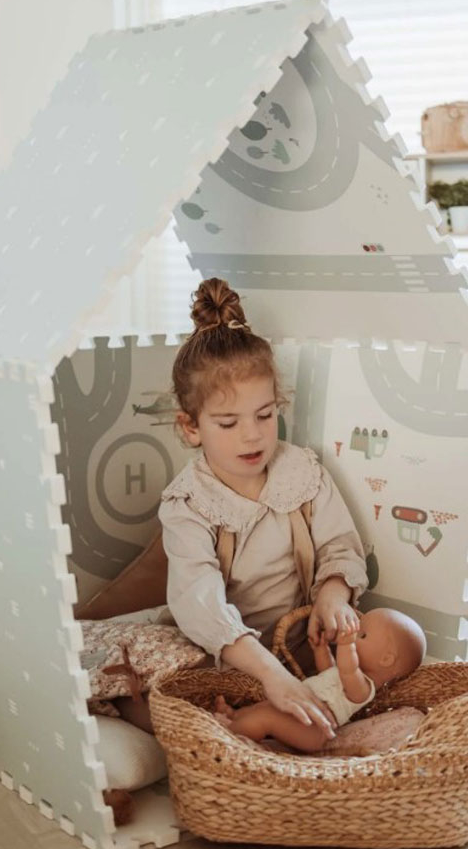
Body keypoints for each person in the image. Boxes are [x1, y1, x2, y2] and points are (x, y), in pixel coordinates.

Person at [152, 277, 370, 740]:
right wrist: (271, 676)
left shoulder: (301, 473)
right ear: (191, 427)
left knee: (397, 637)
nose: (252, 435)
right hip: (227, 652)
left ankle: (272, 717)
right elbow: (199, 602)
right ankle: (237, 720)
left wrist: (333, 594)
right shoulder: (189, 504)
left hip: (299, 642)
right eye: (228, 423)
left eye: (265, 415)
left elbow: (340, 544)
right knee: (161, 685)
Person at [214, 607, 426, 752]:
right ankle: (233, 716)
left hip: (313, 730)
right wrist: (321, 649)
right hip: (302, 713)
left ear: (386, 659)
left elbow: (348, 670)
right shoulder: (347, 672)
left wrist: (346, 645)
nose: (354, 636)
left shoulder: (364, 689)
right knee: (265, 706)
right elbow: (328, 670)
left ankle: (229, 738)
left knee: (266, 717)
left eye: (362, 635)